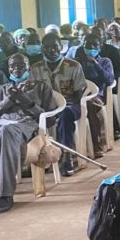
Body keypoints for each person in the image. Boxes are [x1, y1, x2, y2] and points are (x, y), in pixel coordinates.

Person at [0, 53, 57, 213]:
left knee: (6, 131)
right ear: (8, 69)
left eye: (21, 65)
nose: (16, 69)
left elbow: (50, 118)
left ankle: (6, 195)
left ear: (28, 67)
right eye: (13, 66)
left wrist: (28, 102)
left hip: (24, 124)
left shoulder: (41, 86)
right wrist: (6, 102)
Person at [30, 33, 87, 176]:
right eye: (47, 48)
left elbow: (78, 95)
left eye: (55, 46)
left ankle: (66, 157)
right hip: (45, 109)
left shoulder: (73, 66)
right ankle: (36, 157)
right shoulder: (35, 68)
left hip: (70, 106)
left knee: (65, 115)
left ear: (61, 47)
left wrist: (60, 105)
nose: (52, 50)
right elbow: (33, 93)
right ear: (42, 49)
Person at [72, 33, 114, 155]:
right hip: (77, 96)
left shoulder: (105, 61)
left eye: (94, 46)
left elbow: (110, 80)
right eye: (87, 46)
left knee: (89, 105)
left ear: (99, 48)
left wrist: (96, 66)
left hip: (96, 96)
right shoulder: (77, 63)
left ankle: (96, 144)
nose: (90, 49)